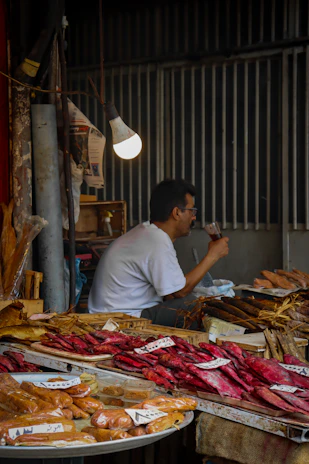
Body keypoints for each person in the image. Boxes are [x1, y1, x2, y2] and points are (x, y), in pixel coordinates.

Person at [88, 179, 229, 327]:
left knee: (192, 301)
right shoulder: (155, 240)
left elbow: (170, 292)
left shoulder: (148, 234)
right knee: (192, 308)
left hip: (115, 314)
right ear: (176, 213)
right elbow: (180, 292)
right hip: (118, 319)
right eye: (191, 211)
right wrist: (213, 255)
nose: (194, 217)